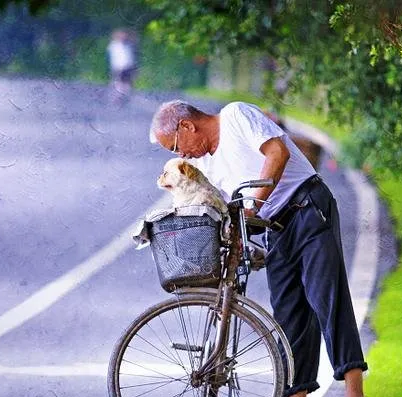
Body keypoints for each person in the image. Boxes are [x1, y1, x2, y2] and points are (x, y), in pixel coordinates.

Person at [149, 100, 368, 397]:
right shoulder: (203, 166)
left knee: (328, 301)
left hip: (307, 207)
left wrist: (254, 207)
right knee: (289, 320)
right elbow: (223, 207)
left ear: (187, 126)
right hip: (275, 228)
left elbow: (278, 152)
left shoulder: (236, 116)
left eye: (176, 146)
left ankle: (355, 392)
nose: (181, 154)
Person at [106, 29, 138, 104]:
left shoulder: (127, 45)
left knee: (127, 83)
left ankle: (122, 97)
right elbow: (114, 57)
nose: (122, 37)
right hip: (118, 67)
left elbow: (130, 57)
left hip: (127, 66)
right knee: (118, 82)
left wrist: (133, 66)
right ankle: (117, 97)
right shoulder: (114, 45)